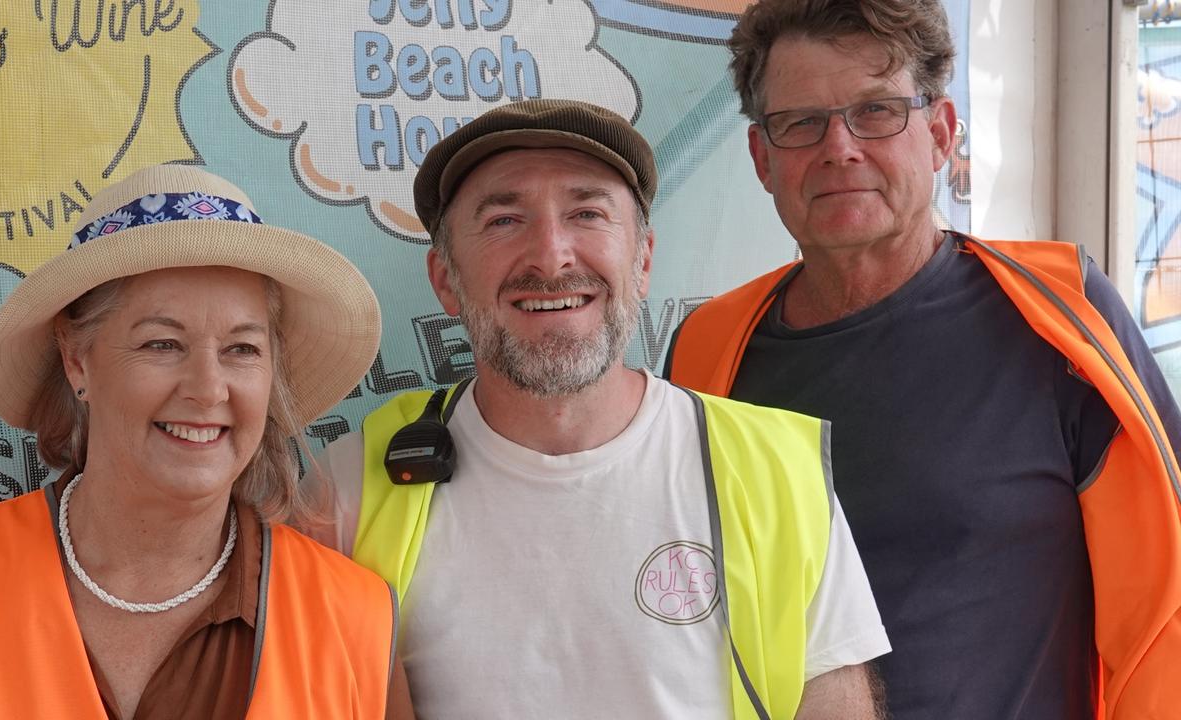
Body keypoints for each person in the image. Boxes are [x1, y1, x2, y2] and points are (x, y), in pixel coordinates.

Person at [663, 2, 1181, 719]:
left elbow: (1169, 603)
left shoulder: (1061, 319)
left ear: (940, 134)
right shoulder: (708, 349)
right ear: (762, 158)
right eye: (802, 122)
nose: (839, 148)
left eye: (876, 111)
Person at [315, 99, 891, 720]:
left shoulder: (779, 472)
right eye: (505, 220)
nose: (552, 255)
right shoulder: (348, 488)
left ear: (642, 262)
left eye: (587, 213)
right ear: (447, 280)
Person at [0, 165, 411, 719]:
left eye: (242, 349)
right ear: (77, 360)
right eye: (162, 344)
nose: (208, 389)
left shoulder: (358, 621)